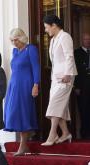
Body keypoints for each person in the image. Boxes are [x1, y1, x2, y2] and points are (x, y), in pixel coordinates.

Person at [41, 15, 77, 146]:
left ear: (54, 25)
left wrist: (68, 73)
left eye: (46, 27)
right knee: (59, 106)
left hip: (66, 77)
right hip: (55, 78)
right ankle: (66, 133)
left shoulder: (65, 36)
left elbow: (69, 56)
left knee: (55, 105)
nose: (45, 30)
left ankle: (52, 134)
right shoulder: (53, 40)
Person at [4, 28, 40, 156]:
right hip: (14, 85)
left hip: (25, 85)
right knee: (13, 113)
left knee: (23, 113)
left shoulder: (31, 49)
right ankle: (23, 145)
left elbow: (36, 68)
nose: (14, 43)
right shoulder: (15, 51)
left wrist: (36, 85)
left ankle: (22, 145)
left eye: (16, 40)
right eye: (12, 40)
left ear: (22, 38)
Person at [74, 33, 90, 139]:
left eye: (89, 39)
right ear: (82, 40)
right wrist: (76, 86)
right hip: (82, 86)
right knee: (83, 110)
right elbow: (74, 70)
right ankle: (84, 134)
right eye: (86, 39)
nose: (88, 41)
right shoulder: (76, 53)